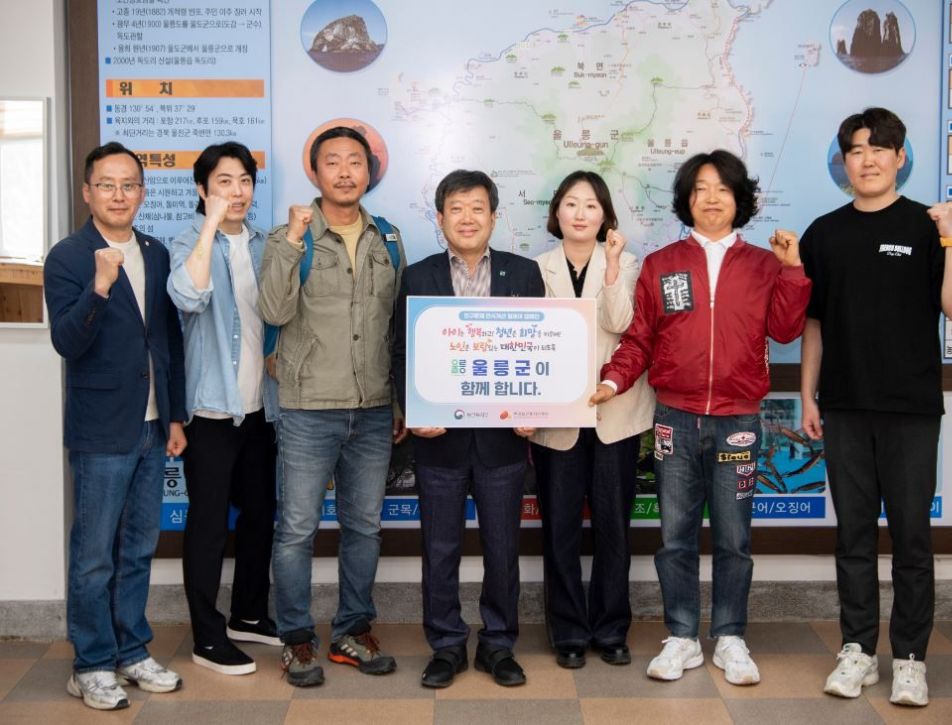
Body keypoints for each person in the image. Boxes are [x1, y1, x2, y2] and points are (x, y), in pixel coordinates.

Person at [592, 150, 810, 686]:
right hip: (675, 418)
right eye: (701, 189)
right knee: (675, 537)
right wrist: (613, 380)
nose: (712, 198)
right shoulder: (662, 264)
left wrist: (792, 270)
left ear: (740, 199)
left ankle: (730, 636)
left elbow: (785, 331)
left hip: (738, 420)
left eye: (723, 189)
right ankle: (683, 637)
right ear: (686, 200)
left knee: (734, 538)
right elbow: (640, 338)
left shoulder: (764, 264)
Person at [800, 107, 952, 707]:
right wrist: (807, 395)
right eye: (857, 150)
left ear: (900, 158)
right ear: (844, 162)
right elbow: (814, 323)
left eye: (880, 149)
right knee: (853, 537)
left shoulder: (928, 226)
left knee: (911, 539)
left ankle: (909, 658)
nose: (868, 159)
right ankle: (857, 650)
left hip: (910, 410)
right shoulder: (824, 233)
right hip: (845, 407)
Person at [259, 126, 406, 687]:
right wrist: (294, 241)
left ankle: (352, 630)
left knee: (363, 528)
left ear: (369, 172)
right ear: (315, 172)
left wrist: (399, 399)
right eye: (333, 162)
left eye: (355, 162)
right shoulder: (287, 237)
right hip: (307, 407)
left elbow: (396, 327)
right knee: (296, 529)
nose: (345, 172)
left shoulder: (387, 238)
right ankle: (296, 638)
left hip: (372, 407)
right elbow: (273, 311)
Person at [44, 142, 186, 710]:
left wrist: (174, 415)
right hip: (101, 429)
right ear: (88, 192)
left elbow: (167, 340)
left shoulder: (154, 251)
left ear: (142, 193)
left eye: (129, 184)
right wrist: (100, 286)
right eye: (107, 184)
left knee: (137, 549)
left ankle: (131, 651)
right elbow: (67, 342)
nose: (119, 194)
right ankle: (91, 663)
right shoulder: (69, 256)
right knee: (94, 554)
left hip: (152, 425)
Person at [393, 169, 545, 689]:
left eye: (477, 208)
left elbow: (541, 350)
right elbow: (402, 352)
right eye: (456, 208)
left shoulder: (523, 274)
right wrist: (415, 409)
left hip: (503, 442)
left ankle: (498, 644)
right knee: (439, 550)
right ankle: (446, 645)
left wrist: (535, 408)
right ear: (440, 218)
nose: (467, 218)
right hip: (440, 442)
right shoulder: (419, 277)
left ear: (494, 217)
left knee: (502, 549)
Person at [530, 171, 655, 669]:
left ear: (605, 215)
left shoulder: (629, 264)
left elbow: (620, 323)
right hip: (556, 418)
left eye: (591, 205)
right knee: (559, 528)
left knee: (613, 529)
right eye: (571, 203)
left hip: (614, 415)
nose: (580, 213)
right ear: (556, 212)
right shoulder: (536, 268)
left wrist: (612, 267)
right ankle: (567, 631)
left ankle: (611, 629)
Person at [167, 142, 280, 676]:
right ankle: (207, 637)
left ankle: (248, 615)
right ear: (203, 189)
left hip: (262, 408)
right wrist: (210, 226)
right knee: (209, 525)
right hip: (211, 411)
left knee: (259, 515)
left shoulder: (265, 243)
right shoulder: (186, 241)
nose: (237, 192)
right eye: (224, 182)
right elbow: (188, 298)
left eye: (245, 181)